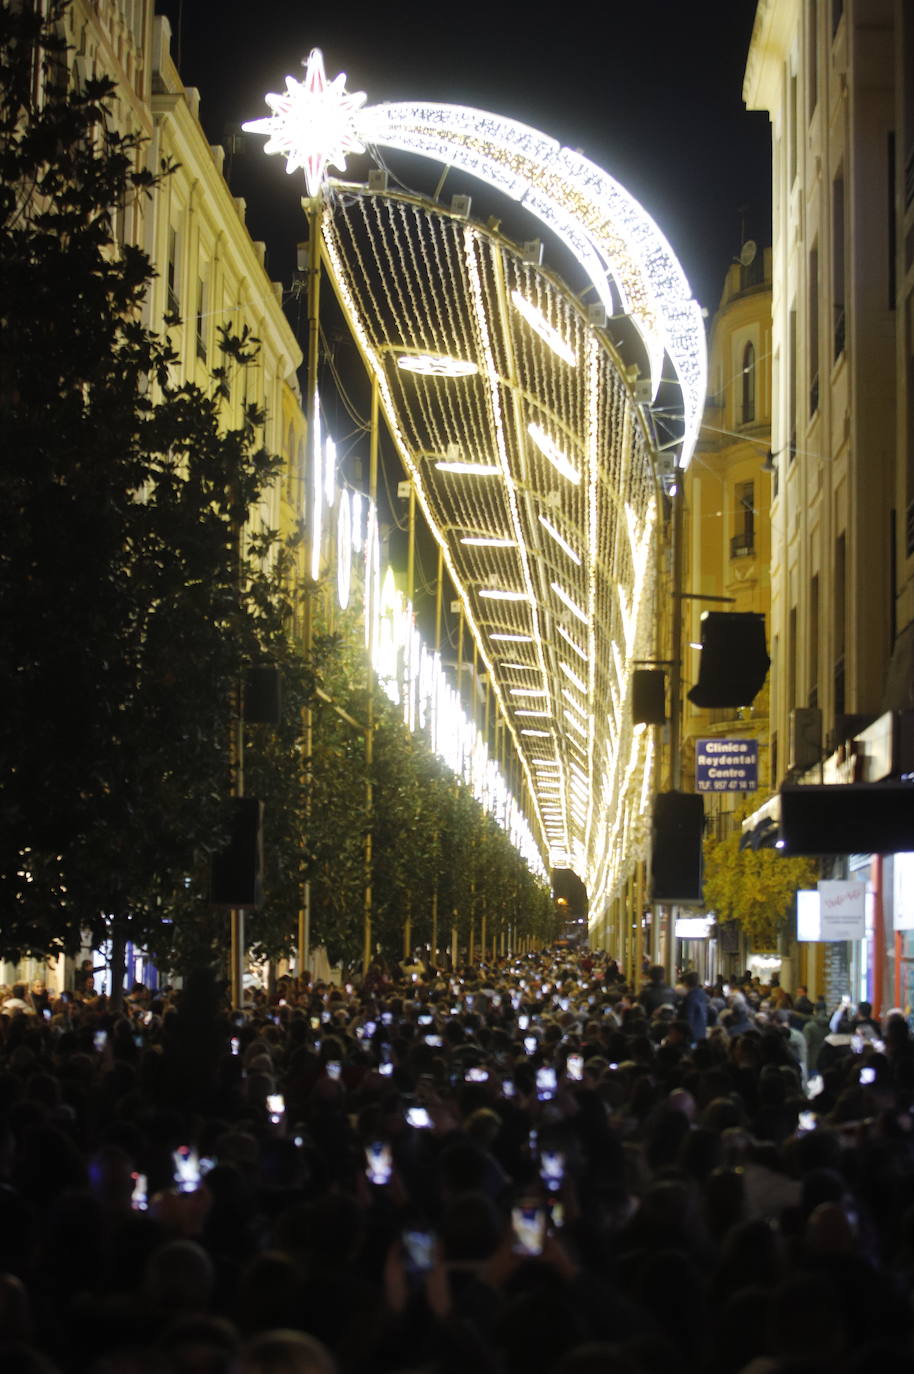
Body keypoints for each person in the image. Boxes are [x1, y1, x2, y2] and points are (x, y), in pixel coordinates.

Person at [681, 970, 710, 1044]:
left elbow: (688, 1016)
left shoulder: (690, 997)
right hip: (701, 1031)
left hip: (692, 1034)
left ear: (686, 983)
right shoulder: (702, 994)